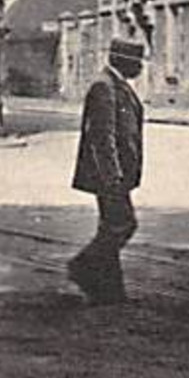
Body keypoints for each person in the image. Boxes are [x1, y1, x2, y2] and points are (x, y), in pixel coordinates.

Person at [67, 38, 147, 306]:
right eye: (137, 62)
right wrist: (112, 176)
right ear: (122, 60)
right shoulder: (104, 86)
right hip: (110, 174)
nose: (141, 68)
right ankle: (83, 265)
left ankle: (110, 292)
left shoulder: (117, 84)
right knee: (123, 224)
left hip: (117, 172)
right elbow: (103, 136)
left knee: (110, 225)